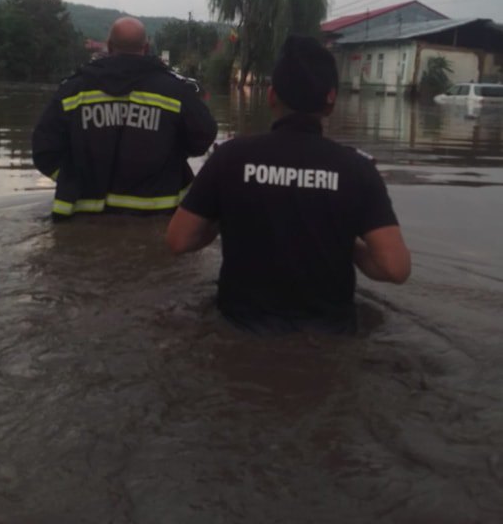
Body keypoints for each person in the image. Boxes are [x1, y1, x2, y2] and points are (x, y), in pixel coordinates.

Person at [167, 35, 410, 332]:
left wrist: (226, 215)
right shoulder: (358, 169)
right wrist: (347, 243)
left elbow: (179, 240)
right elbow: (394, 268)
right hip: (330, 336)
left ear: (271, 96)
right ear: (331, 98)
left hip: (240, 328)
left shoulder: (229, 158)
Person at [32, 17, 217, 219]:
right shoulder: (176, 90)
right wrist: (170, 155)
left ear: (109, 46)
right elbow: (203, 137)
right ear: (146, 47)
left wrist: (71, 179)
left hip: (83, 216)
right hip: (155, 215)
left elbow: (43, 149)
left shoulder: (73, 89)